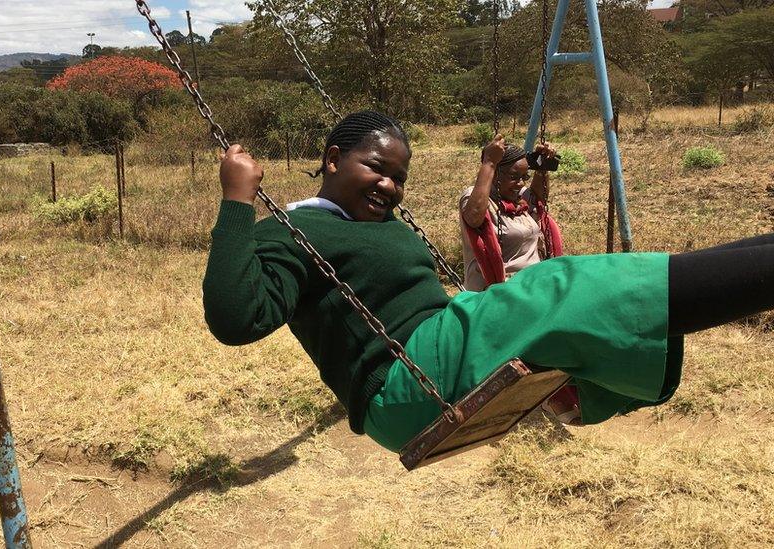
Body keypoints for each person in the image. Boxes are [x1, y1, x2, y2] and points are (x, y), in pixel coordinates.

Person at [202, 110, 774, 453]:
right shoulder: (290, 231)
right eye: (374, 167)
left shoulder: (378, 223)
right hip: (403, 382)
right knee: (566, 285)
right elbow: (234, 318)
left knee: (564, 288)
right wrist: (235, 201)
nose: (388, 186)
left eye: (398, 178)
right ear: (331, 160)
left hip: (440, 346)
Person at [459, 135, 561, 291]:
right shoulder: (476, 198)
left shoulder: (519, 199)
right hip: (498, 289)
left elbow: (539, 199)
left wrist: (541, 167)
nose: (520, 183)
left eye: (524, 177)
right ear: (495, 174)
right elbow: (473, 217)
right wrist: (489, 163)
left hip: (532, 285)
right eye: (514, 177)